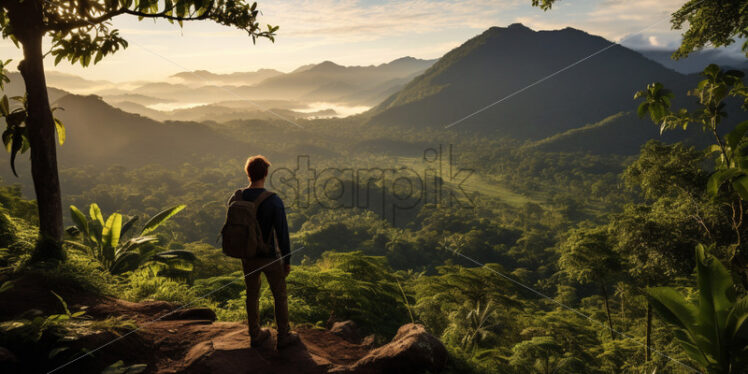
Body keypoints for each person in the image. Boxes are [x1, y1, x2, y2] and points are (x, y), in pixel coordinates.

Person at [227, 155, 298, 349]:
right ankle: (283, 336)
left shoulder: (237, 197)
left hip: (247, 255)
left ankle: (255, 334)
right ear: (266, 174)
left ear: (248, 173)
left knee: (252, 294)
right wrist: (287, 259)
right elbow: (282, 232)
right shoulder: (273, 200)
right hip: (270, 257)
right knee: (280, 295)